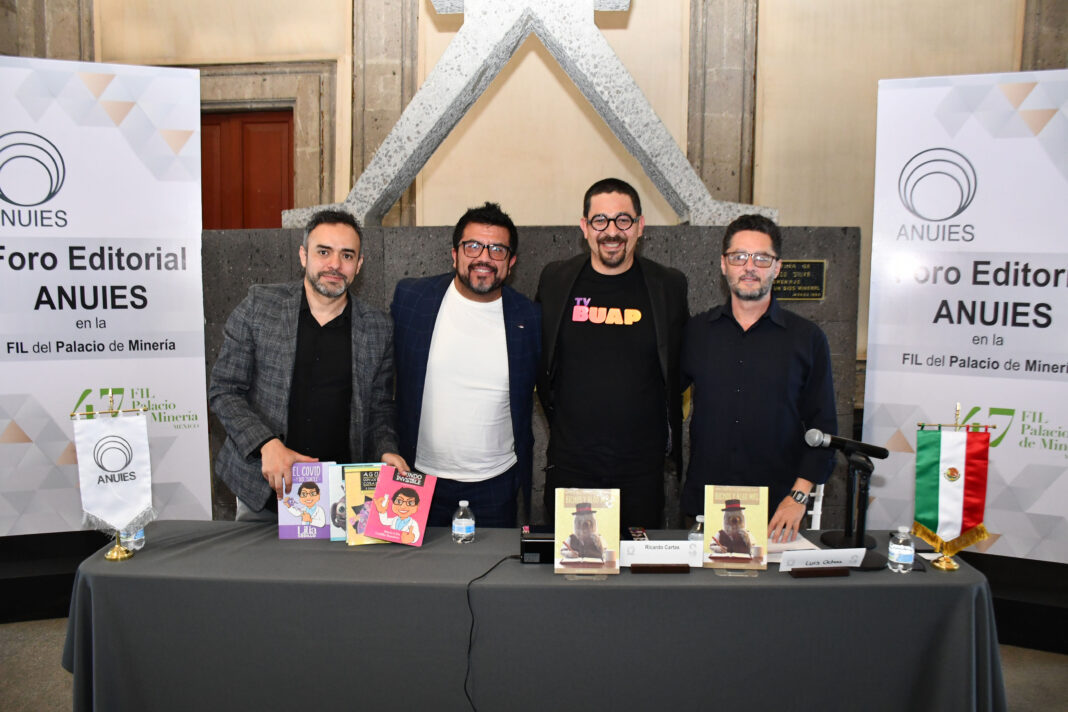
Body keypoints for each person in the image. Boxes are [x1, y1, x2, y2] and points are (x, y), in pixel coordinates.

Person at [209, 209, 407, 522]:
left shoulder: (378, 327)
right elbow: (224, 389)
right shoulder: (260, 306)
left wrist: (386, 450)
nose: (335, 265)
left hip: (343, 495)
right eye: (323, 252)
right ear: (303, 256)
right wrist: (266, 444)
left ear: (359, 265)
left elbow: (380, 408)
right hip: (265, 490)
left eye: (347, 255)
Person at [537, 178, 688, 529]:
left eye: (623, 220)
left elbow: (679, 366)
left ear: (640, 225)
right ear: (584, 227)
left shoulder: (668, 285)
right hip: (572, 464)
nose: (612, 231)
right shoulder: (555, 280)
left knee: (637, 563)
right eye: (600, 220)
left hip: (641, 469)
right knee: (574, 560)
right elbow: (541, 363)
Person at [681, 214, 837, 543]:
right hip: (706, 505)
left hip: (778, 512)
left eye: (761, 258)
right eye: (739, 256)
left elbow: (824, 428)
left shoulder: (807, 338)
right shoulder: (695, 332)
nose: (749, 267)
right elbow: (656, 397)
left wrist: (798, 498)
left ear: (777, 268)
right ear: (723, 264)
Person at [391, 202, 540, 528]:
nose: (484, 257)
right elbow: (382, 383)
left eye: (497, 249)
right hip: (417, 477)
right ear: (454, 254)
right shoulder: (412, 299)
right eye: (472, 246)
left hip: (495, 484)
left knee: (494, 562)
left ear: (511, 262)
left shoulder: (529, 317)